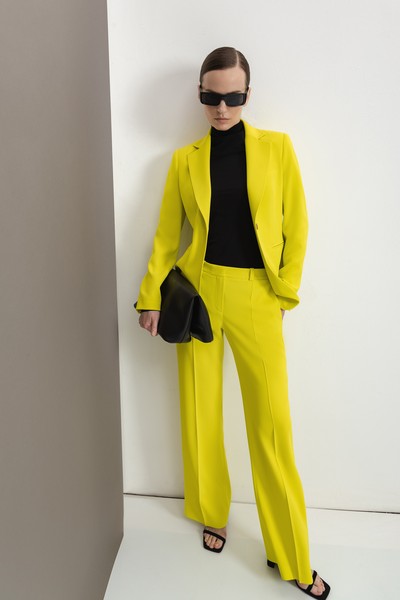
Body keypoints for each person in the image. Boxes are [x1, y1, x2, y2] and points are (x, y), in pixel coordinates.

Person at [135, 47, 331, 599]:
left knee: (272, 427)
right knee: (200, 411)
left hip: (257, 296)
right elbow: (166, 236)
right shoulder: (184, 160)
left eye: (233, 97)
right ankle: (211, 513)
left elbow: (297, 224)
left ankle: (291, 554)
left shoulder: (277, 148)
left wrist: (283, 292)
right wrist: (149, 298)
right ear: (200, 93)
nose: (222, 108)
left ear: (248, 94)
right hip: (199, 293)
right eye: (211, 96)